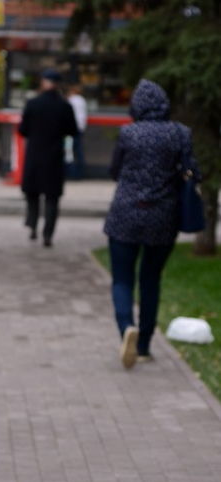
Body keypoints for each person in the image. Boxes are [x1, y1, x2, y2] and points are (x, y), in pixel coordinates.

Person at [104, 79, 201, 368]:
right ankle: (144, 345)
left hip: (125, 214)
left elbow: (113, 171)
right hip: (164, 216)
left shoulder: (128, 133)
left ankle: (126, 330)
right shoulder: (180, 133)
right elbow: (194, 172)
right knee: (151, 280)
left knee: (122, 279)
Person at [18, 68, 78, 247]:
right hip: (54, 157)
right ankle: (48, 234)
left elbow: (22, 130)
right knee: (52, 197)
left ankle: (32, 225)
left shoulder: (33, 103)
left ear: (44, 83)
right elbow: (72, 130)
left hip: (35, 155)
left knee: (33, 193)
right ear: (58, 84)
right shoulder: (65, 106)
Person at [67, 82, 88, 179]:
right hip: (80, 127)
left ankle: (71, 172)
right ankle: (80, 171)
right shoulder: (82, 100)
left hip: (71, 128)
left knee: (69, 150)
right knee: (78, 150)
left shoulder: (71, 100)